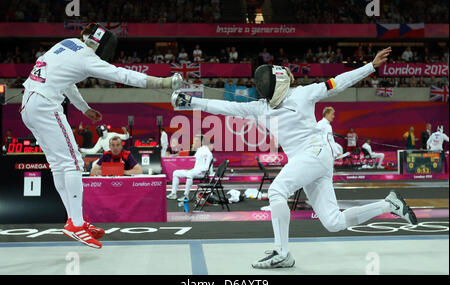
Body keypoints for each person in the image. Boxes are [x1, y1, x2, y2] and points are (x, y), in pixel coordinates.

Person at [171, 47, 417, 269]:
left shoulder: (303, 94)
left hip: (314, 153)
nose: (261, 86)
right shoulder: (261, 107)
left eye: (265, 81)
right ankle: (389, 205)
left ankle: (282, 252)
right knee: (333, 222)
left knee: (277, 190)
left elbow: (339, 82)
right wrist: (190, 101)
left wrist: (370, 66)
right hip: (311, 162)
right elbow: (225, 107)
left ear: (277, 81)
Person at [19, 23, 182, 249]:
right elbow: (122, 75)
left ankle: (73, 220)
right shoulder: (87, 58)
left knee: (59, 165)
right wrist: (162, 82)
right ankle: (76, 224)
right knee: (74, 163)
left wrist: (84, 108)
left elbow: (67, 83)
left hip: (28, 105)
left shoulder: (67, 45)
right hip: (46, 105)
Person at [166, 137, 213, 201]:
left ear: (201, 142)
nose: (194, 142)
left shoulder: (207, 153)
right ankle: (173, 194)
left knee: (190, 174)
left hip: (202, 173)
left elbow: (206, 168)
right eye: (194, 141)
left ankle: (186, 196)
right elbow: (193, 162)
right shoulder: (199, 151)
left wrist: (194, 170)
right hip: (194, 171)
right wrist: (190, 169)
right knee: (176, 172)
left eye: (196, 141)